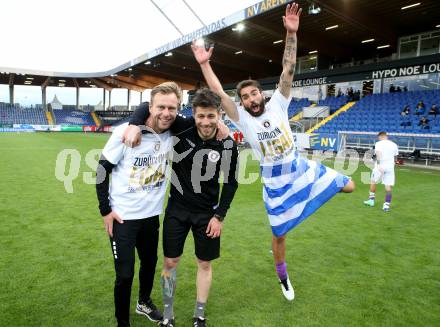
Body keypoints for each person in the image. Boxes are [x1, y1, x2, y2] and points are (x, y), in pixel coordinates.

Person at [191, 2, 355, 301]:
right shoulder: (240, 116)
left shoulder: (279, 102)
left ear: (261, 94)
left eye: (254, 93)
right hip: (275, 181)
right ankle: (283, 277)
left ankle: (312, 198)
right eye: (245, 96)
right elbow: (217, 92)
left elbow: (288, 68)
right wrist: (204, 64)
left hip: (300, 167)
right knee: (279, 235)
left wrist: (291, 33)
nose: (251, 98)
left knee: (351, 186)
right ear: (241, 102)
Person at [125, 88, 239, 327]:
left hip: (207, 214)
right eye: (201, 116)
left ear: (219, 114)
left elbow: (230, 183)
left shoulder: (227, 143)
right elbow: (151, 106)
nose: (206, 122)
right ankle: (168, 314)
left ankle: (199, 315)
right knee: (170, 263)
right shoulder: (182, 126)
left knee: (204, 263)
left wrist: (219, 217)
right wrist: (135, 123)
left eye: (211, 116)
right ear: (193, 115)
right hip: (176, 211)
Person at [96, 82, 183, 327]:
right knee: (124, 274)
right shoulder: (125, 131)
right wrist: (105, 211)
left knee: (149, 264)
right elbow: (102, 172)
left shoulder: (173, 130)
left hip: (151, 217)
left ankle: (143, 302)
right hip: (123, 218)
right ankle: (122, 322)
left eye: (172, 108)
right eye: (161, 107)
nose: (166, 113)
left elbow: (197, 119)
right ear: (150, 107)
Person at [363, 132, 399, 212]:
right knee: (388, 187)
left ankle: (371, 200)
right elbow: (396, 157)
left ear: (381, 136)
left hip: (380, 166)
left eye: (379, 137)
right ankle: (386, 205)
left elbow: (378, 154)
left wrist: (378, 164)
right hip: (390, 167)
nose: (378, 139)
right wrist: (395, 162)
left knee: (373, 181)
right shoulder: (394, 144)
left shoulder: (379, 143)